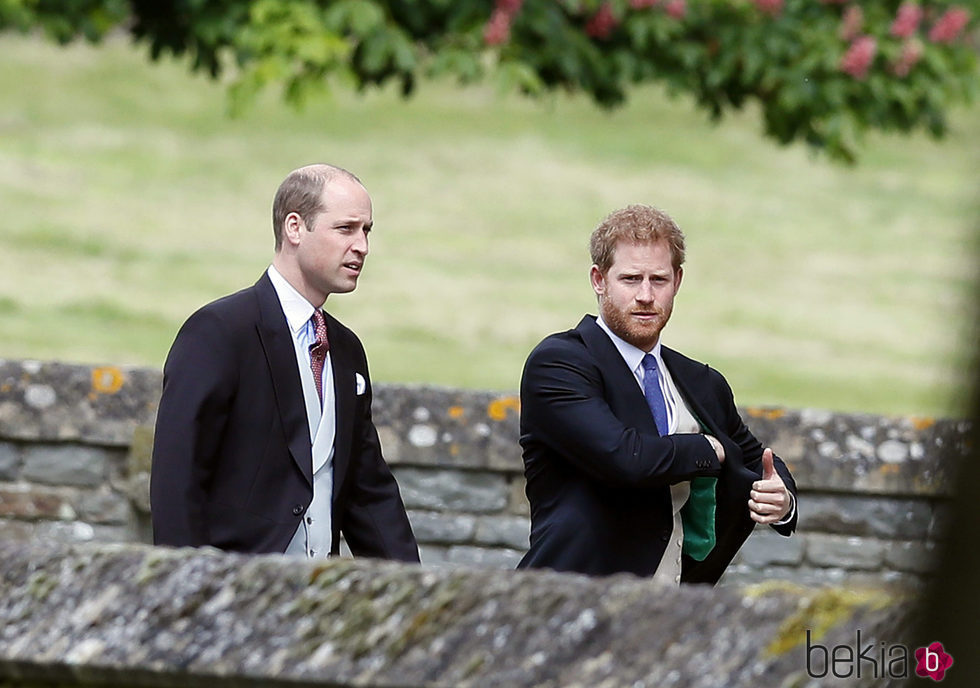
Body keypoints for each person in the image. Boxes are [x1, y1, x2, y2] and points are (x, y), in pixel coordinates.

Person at [150, 163, 419, 562]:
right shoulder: (220, 332)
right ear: (295, 227)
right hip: (228, 595)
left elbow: (369, 492)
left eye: (367, 231)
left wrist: (413, 595)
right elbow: (178, 477)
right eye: (346, 229)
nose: (362, 246)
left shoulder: (346, 351)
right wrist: (186, 593)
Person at [517, 204, 797, 583]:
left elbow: (755, 458)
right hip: (571, 599)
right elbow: (625, 458)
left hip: (674, 607)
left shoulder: (702, 382)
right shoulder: (560, 364)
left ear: (677, 281)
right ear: (599, 280)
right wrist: (708, 450)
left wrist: (782, 499)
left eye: (658, 280)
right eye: (631, 279)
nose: (646, 295)